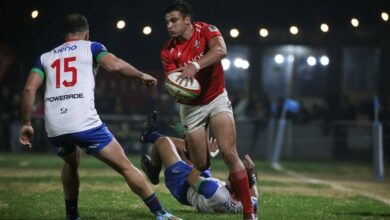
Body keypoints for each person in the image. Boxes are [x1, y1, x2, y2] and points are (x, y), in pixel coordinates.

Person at [19, 13, 180, 220]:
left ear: (65, 34)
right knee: (125, 166)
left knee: (70, 162)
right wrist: (141, 75)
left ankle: (72, 215)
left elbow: (28, 90)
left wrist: (26, 123)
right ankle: (161, 213)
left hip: (55, 126)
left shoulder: (45, 57)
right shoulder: (92, 47)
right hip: (84, 123)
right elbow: (115, 65)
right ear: (86, 33)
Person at [160, 1, 255, 218]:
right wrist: (176, 90)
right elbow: (174, 83)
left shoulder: (207, 30)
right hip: (191, 108)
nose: (170, 26)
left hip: (216, 98)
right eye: (167, 22)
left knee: (230, 152)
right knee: (201, 163)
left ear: (187, 20)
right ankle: (196, 155)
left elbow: (221, 50)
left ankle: (249, 213)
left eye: (174, 20)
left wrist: (196, 65)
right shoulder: (168, 50)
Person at [139, 111, 258, 214]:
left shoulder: (216, 192)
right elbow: (254, 196)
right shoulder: (246, 202)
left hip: (183, 185)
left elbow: (191, 179)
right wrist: (251, 172)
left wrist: (208, 155)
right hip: (201, 180)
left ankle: (153, 172)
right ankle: (149, 135)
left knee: (163, 142)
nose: (233, 171)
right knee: (192, 147)